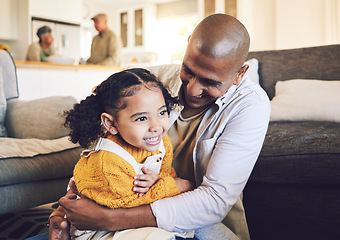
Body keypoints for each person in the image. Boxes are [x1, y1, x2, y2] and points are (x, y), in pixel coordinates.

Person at [30, 13, 271, 240]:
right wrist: (65, 212)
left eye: (210, 82)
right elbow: (98, 158)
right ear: (187, 45)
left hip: (196, 227)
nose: (192, 89)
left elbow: (213, 201)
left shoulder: (251, 106)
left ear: (240, 73)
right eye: (188, 70)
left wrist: (108, 218)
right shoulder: (151, 81)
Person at [49, 68, 194, 240]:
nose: (156, 126)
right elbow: (126, 207)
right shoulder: (108, 162)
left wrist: (160, 181)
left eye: (161, 112)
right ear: (111, 123)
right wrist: (180, 186)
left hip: (128, 214)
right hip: (98, 224)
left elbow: (164, 174)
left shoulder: (159, 141)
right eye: (141, 118)